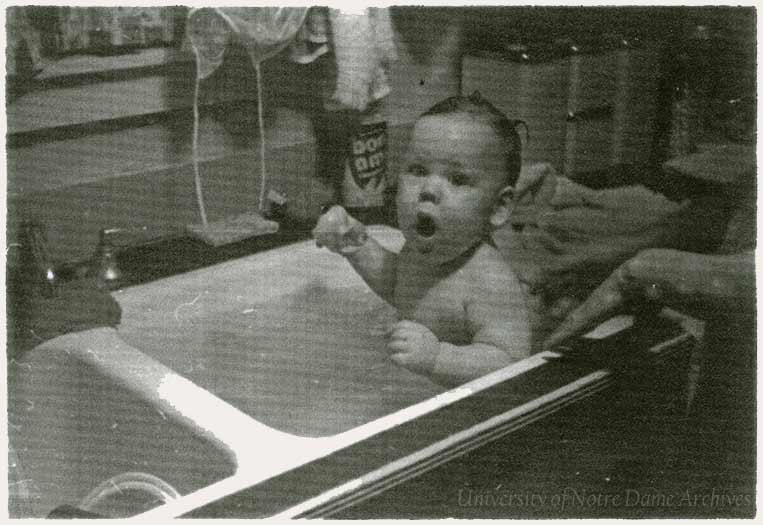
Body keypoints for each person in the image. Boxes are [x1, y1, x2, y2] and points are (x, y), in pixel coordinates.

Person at [313, 93, 531, 386]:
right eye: (418, 170)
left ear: (498, 207)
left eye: (457, 179)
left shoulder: (488, 279)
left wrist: (439, 358)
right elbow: (396, 284)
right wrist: (357, 244)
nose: (428, 189)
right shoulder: (420, 252)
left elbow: (510, 361)